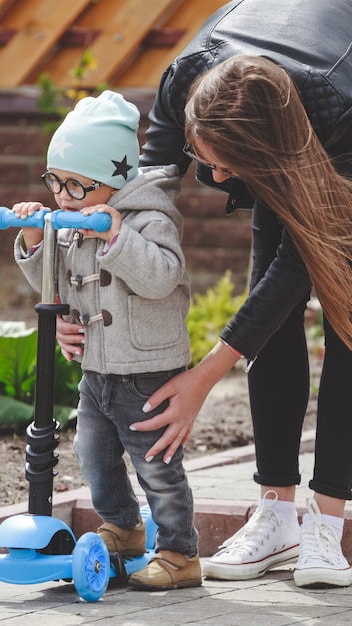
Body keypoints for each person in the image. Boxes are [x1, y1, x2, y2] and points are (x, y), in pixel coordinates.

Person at [130, 0, 352, 588]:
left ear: (267, 157)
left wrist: (206, 375)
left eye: (226, 169)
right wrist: (94, 295)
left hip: (337, 119)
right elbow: (137, 207)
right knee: (268, 308)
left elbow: (297, 269)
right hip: (274, 84)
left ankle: (327, 522)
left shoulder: (340, 113)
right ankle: (276, 513)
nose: (217, 179)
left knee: (346, 317)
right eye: (204, 159)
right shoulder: (186, 84)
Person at [12, 90, 201, 591]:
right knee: (92, 450)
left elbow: (163, 278)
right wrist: (36, 240)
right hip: (97, 369)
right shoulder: (74, 221)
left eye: (76, 185)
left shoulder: (147, 218)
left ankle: (181, 554)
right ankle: (123, 527)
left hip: (146, 370)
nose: (63, 197)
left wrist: (118, 240)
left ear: (112, 182)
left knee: (155, 464)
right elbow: (55, 284)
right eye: (55, 182)